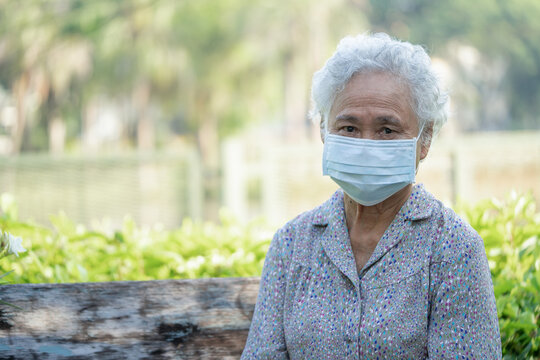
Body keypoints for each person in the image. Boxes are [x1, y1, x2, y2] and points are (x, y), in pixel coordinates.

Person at [241, 33, 502, 359]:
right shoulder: (292, 245)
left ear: (425, 139)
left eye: (387, 130)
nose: (367, 144)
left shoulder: (452, 248)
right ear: (324, 130)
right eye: (349, 128)